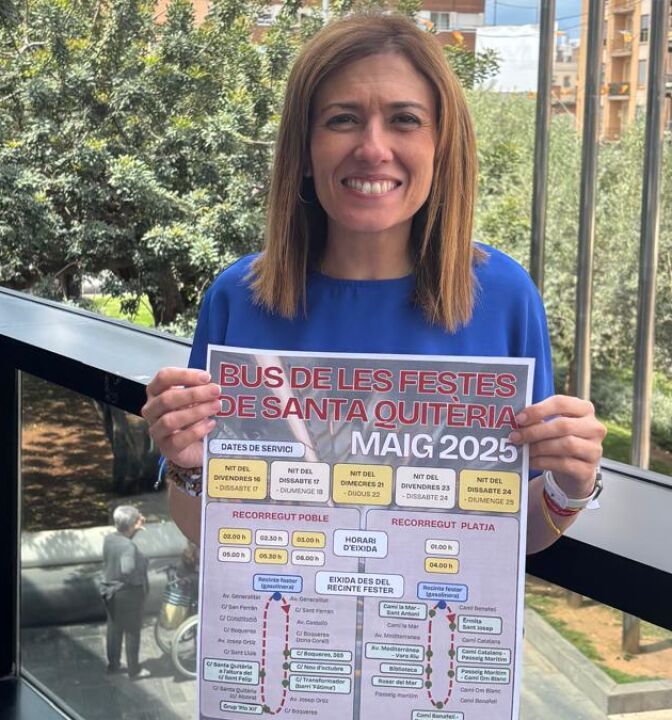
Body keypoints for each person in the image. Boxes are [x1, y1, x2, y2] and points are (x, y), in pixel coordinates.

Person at [142, 14, 606, 555]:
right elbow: (202, 528)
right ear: (305, 150)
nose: (372, 148)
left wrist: (570, 485)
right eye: (342, 119)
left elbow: (513, 541)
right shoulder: (238, 297)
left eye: (405, 120)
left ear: (440, 147)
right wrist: (186, 463)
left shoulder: (504, 298)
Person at [101, 504, 150, 678]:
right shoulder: (128, 547)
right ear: (131, 525)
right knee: (132, 631)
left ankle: (113, 665)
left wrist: (136, 527)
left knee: (114, 629)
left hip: (109, 591)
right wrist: (135, 580)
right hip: (127, 593)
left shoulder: (109, 539)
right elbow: (127, 569)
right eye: (137, 519)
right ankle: (134, 670)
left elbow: (124, 538)